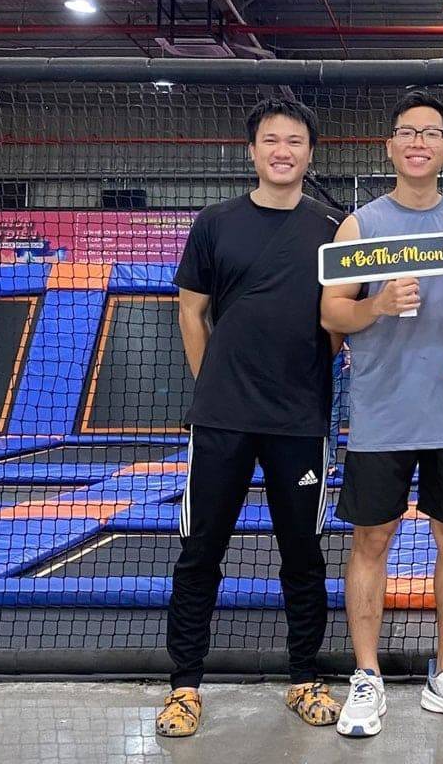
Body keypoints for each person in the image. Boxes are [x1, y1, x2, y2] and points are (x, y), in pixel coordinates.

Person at [320, 91, 443, 738]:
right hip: (383, 414)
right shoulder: (360, 226)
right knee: (371, 541)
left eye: (431, 133)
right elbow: (331, 315)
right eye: (407, 132)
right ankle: (368, 676)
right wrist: (373, 307)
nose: (419, 142)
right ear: (391, 146)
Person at [157, 97, 346, 737]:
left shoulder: (332, 228)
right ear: (252, 150)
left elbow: (341, 318)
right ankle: (184, 687)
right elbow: (191, 310)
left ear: (309, 153)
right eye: (271, 140)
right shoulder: (214, 222)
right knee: (199, 551)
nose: (283, 150)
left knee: (303, 554)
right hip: (222, 418)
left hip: (300, 418)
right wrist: (212, 384)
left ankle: (305, 678)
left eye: (295, 140)